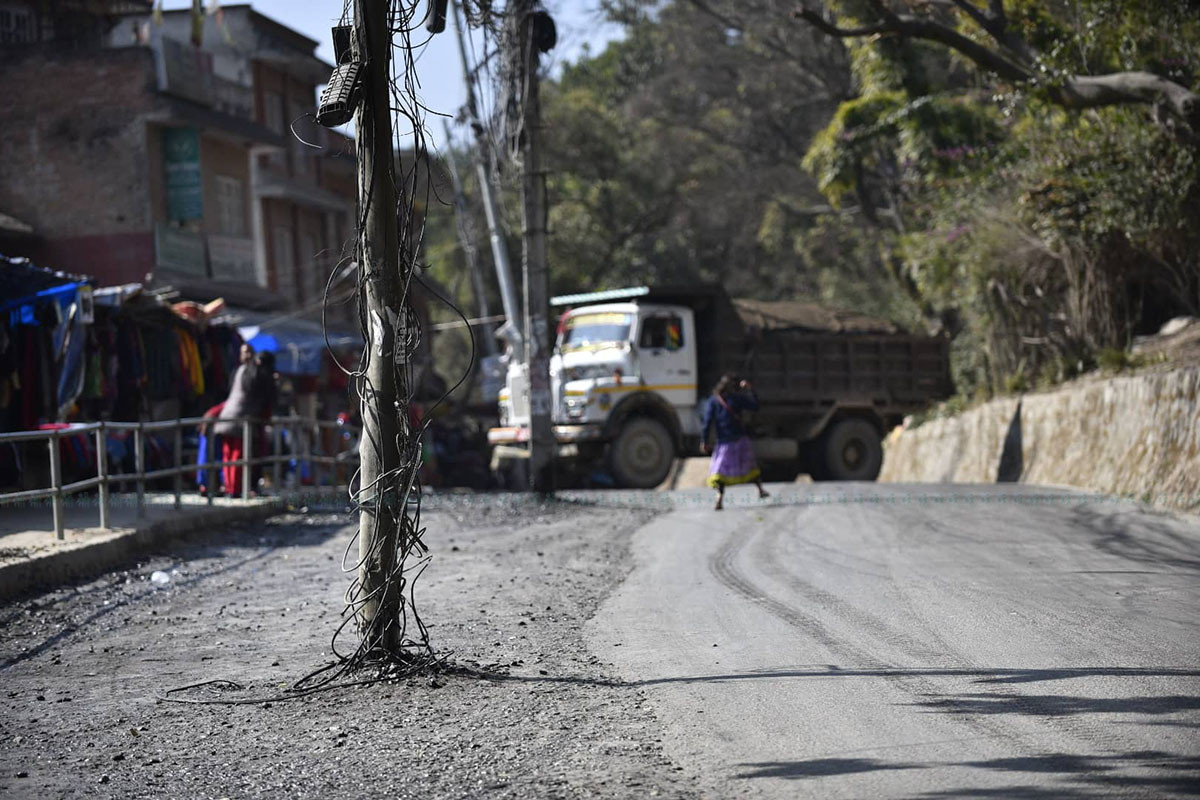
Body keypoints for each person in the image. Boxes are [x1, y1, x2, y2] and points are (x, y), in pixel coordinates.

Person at [213, 345, 275, 497]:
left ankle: (229, 487)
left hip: (227, 417)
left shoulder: (238, 371)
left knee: (229, 455)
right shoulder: (255, 373)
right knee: (237, 456)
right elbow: (260, 399)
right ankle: (234, 489)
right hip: (241, 420)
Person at [700, 373, 769, 511]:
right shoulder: (737, 399)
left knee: (720, 473)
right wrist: (750, 389)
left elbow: (707, 423)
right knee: (750, 468)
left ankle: (719, 497)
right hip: (740, 441)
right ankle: (760, 490)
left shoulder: (713, 401)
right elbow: (755, 406)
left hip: (724, 444)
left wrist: (705, 441)